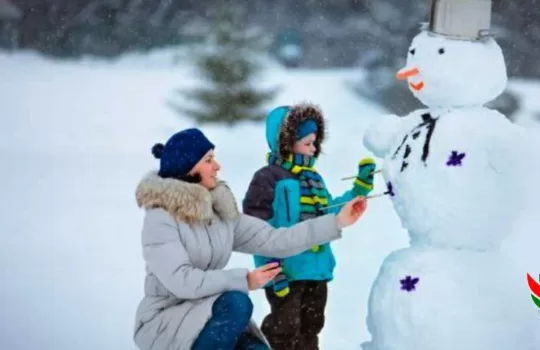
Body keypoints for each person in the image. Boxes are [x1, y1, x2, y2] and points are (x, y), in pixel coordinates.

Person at [132, 128, 368, 350]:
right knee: (237, 302)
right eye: (208, 160)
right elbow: (182, 281)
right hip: (167, 319)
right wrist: (245, 280)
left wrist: (336, 222)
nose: (217, 166)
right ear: (187, 169)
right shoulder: (161, 219)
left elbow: (275, 240)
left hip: (208, 313)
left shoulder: (219, 214)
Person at [242, 103, 376, 350]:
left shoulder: (314, 179)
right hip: (286, 272)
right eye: (307, 143)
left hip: (316, 271)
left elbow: (328, 213)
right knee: (284, 329)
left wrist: (359, 189)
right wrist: (273, 270)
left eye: (315, 143)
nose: (314, 149)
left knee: (311, 328)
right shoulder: (268, 178)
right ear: (286, 142)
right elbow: (255, 231)